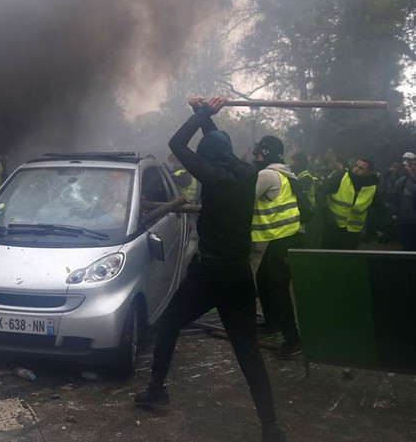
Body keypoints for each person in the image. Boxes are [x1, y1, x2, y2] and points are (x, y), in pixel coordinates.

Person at [134, 97, 286, 442]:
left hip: (210, 272)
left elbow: (176, 145)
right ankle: (270, 426)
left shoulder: (212, 177)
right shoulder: (248, 173)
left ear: (206, 158)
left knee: (171, 321)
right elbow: (218, 146)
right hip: (239, 274)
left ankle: (157, 389)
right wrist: (205, 117)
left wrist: (203, 113)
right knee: (247, 348)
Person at [252, 137, 304, 358]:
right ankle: (273, 324)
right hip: (287, 238)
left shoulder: (267, 175)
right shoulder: (286, 174)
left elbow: (243, 198)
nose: (255, 158)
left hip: (281, 240)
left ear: (267, 153)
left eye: (258, 154)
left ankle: (293, 340)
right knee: (265, 281)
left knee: (278, 289)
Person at [317, 158, 388, 249]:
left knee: (347, 260)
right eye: (355, 166)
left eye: (361, 168)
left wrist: (387, 227)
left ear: (369, 172)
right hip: (332, 226)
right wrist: (326, 212)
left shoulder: (372, 187)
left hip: (352, 232)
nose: (356, 170)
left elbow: (381, 208)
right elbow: (321, 191)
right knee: (327, 257)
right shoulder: (342, 176)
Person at [290, 151, 321, 247]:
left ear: (300, 163)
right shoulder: (300, 177)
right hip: (305, 213)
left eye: (295, 162)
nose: (293, 164)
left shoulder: (305, 178)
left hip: (309, 215)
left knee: (308, 240)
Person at [387, 152, 416, 250]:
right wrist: (394, 173)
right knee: (406, 243)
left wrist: (411, 174)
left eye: (411, 163)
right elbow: (391, 190)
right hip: (404, 216)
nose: (407, 164)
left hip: (413, 216)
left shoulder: (411, 177)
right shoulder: (403, 178)